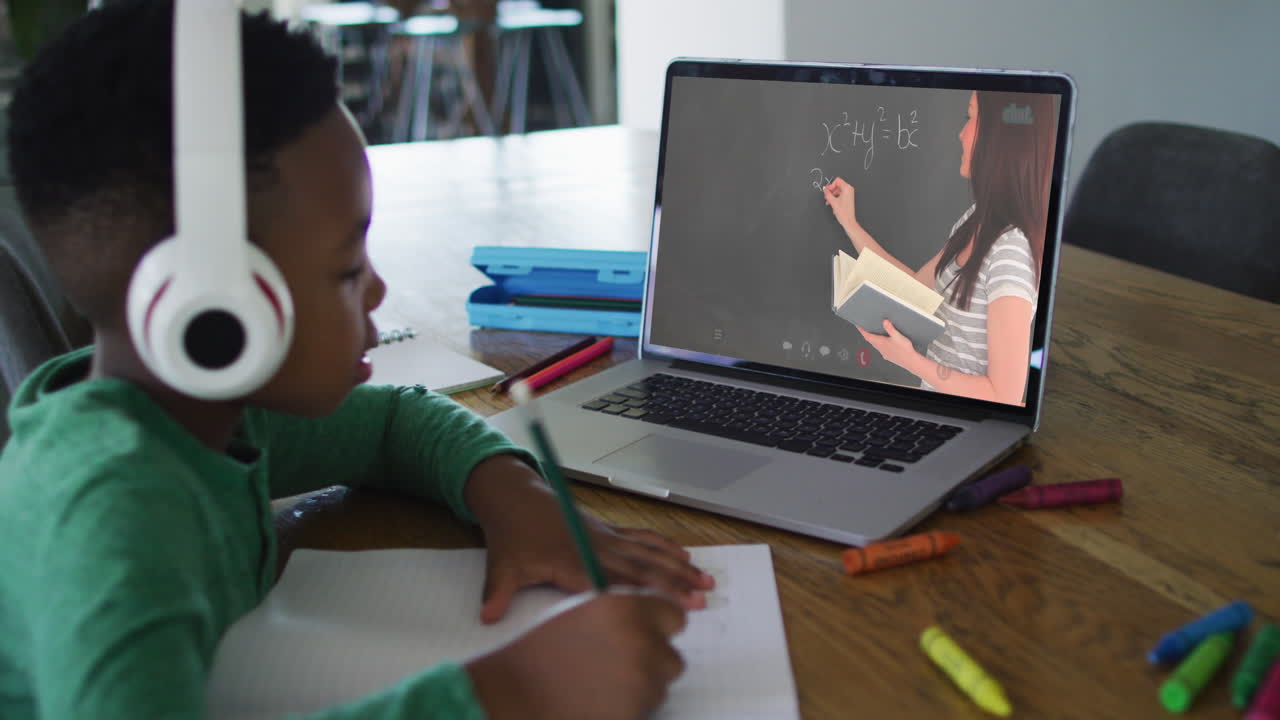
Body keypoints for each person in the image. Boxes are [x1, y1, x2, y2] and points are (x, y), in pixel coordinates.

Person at [0, 2, 712, 719]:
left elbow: (392, 422)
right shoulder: (113, 519)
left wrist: (517, 501)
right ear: (215, 312)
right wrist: (510, 693)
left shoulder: (203, 418)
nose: (376, 288)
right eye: (345, 269)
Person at [823, 90, 1057, 405]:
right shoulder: (976, 220)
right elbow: (913, 289)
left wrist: (909, 361)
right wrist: (850, 223)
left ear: (998, 136)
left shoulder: (1010, 252)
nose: (961, 133)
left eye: (970, 117)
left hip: (968, 426)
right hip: (936, 409)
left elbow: (1005, 396)